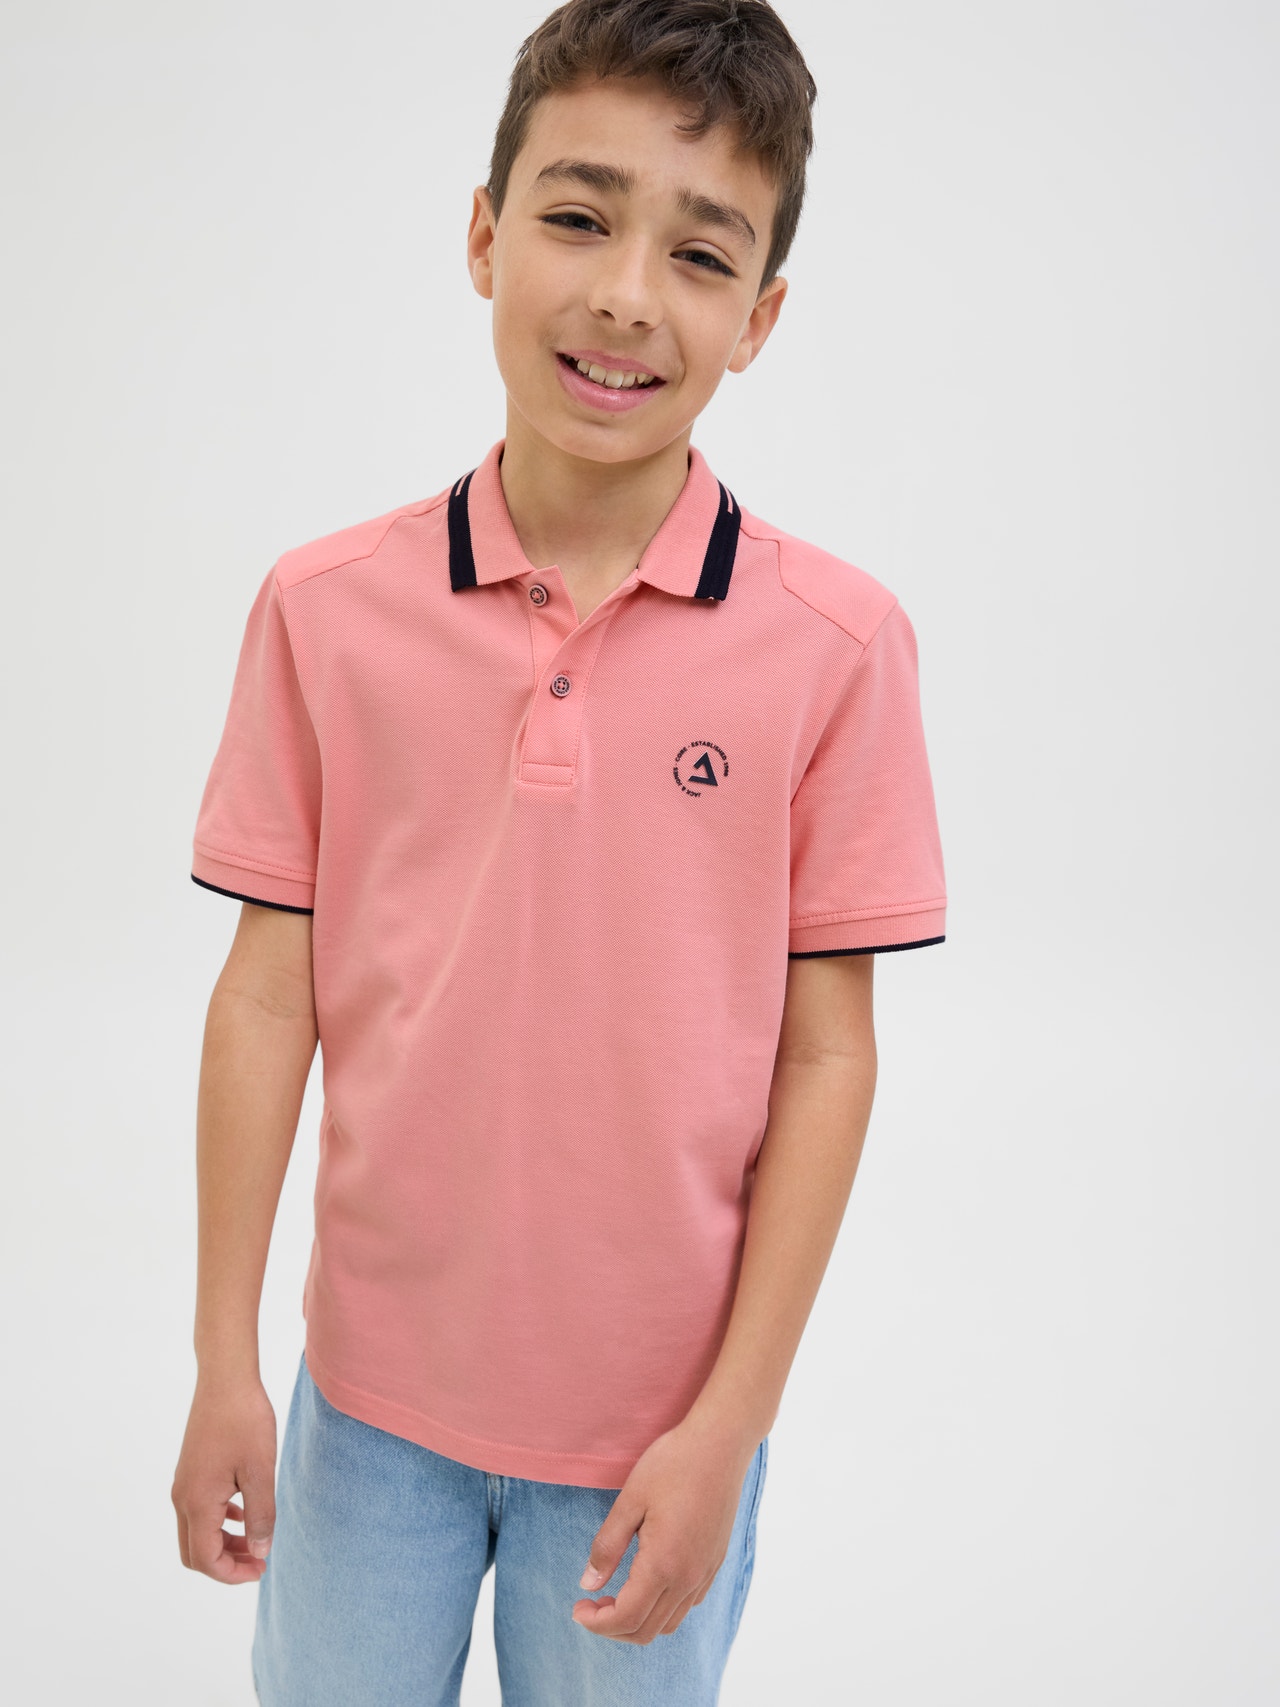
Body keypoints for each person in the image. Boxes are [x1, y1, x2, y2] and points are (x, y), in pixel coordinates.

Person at [170, 1, 948, 1701]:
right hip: (365, 1408)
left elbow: (830, 1056)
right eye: (580, 217)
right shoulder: (325, 610)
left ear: (761, 317)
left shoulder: (838, 647)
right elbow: (266, 997)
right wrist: (225, 1356)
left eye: (701, 254)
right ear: (483, 234)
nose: (626, 296)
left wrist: (731, 1426)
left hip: (654, 1439)